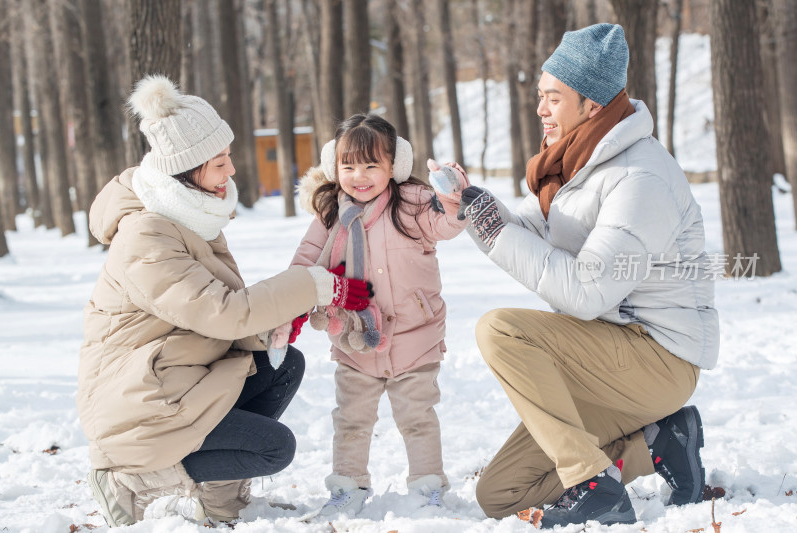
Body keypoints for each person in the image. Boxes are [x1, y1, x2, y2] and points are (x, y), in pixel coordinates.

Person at [431, 24, 719, 528]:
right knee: (500, 493)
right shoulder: (577, 166)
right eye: (540, 97)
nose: (540, 109)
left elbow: (586, 292)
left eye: (553, 98)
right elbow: (526, 232)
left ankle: (591, 482)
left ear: (592, 105)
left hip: (657, 357)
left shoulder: (640, 177)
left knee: (500, 329)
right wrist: (474, 205)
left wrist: (489, 221)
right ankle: (658, 445)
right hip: (605, 354)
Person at [77, 75, 372, 528]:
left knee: (282, 363)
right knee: (274, 447)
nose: (230, 171)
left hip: (175, 377)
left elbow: (206, 312)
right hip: (139, 405)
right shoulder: (146, 235)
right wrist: (309, 284)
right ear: (188, 169)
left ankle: (220, 497)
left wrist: (274, 324)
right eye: (219, 162)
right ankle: (130, 480)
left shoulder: (185, 216)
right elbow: (221, 311)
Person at [286, 113, 469, 517]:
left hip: (414, 335)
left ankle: (427, 486)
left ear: (395, 167)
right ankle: (348, 485)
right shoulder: (332, 213)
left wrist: (454, 197)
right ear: (334, 168)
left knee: (417, 416)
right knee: (351, 417)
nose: (360, 175)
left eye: (372, 165)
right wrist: (287, 305)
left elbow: (447, 224)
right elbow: (306, 262)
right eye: (348, 166)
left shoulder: (412, 203)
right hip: (354, 337)